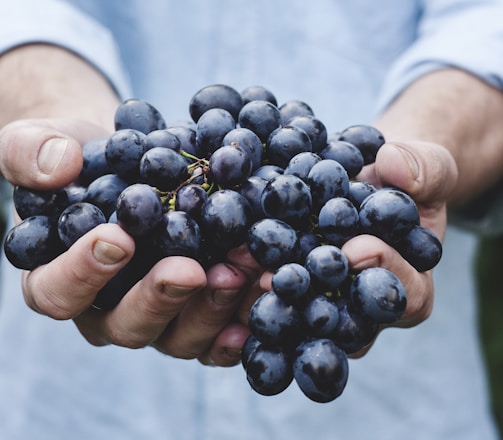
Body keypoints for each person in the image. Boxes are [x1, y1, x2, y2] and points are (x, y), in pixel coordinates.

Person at [0, 0, 502, 438]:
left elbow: (487, 23)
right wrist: (52, 111)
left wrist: (424, 148)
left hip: (398, 414)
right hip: (78, 410)